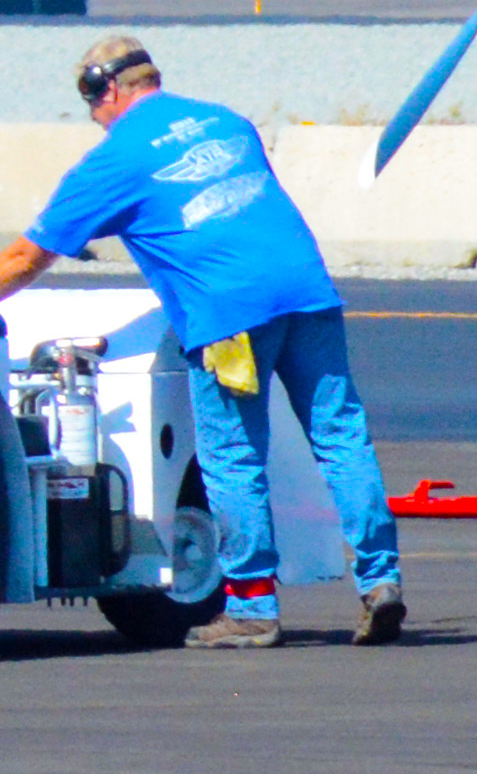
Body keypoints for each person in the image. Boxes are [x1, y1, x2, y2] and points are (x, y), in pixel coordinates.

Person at [0, 35, 406, 650]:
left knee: (234, 456)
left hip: (230, 319)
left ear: (107, 91)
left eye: (91, 104)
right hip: (308, 292)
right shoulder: (226, 122)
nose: (93, 118)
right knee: (341, 438)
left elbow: (28, 258)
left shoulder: (115, 160)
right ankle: (381, 583)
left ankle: (251, 608)